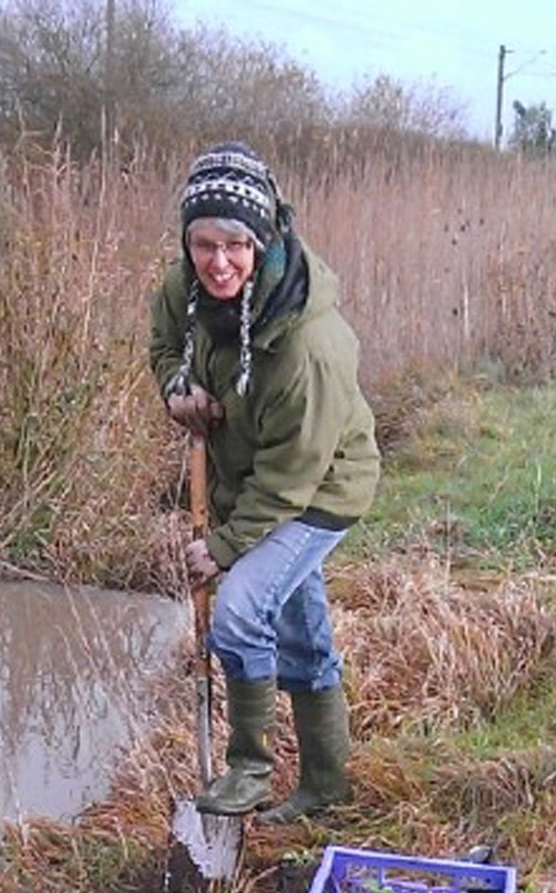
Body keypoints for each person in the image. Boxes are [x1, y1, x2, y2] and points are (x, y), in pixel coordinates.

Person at [150, 141, 380, 822]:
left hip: (319, 492)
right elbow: (164, 343)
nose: (218, 262)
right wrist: (177, 386)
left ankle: (248, 769)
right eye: (203, 244)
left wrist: (223, 547)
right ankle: (325, 787)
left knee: (242, 609)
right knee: (302, 634)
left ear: (264, 240)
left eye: (235, 245)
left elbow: (290, 480)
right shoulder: (183, 290)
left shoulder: (310, 346)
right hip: (261, 480)